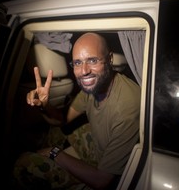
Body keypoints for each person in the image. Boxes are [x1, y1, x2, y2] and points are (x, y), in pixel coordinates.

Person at [12, 32, 141, 190]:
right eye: (78, 63)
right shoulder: (92, 88)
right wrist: (43, 106)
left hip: (110, 178)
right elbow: (62, 120)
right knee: (57, 132)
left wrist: (56, 153)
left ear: (110, 59)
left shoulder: (128, 106)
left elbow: (103, 181)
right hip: (99, 149)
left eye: (92, 60)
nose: (84, 71)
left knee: (24, 163)